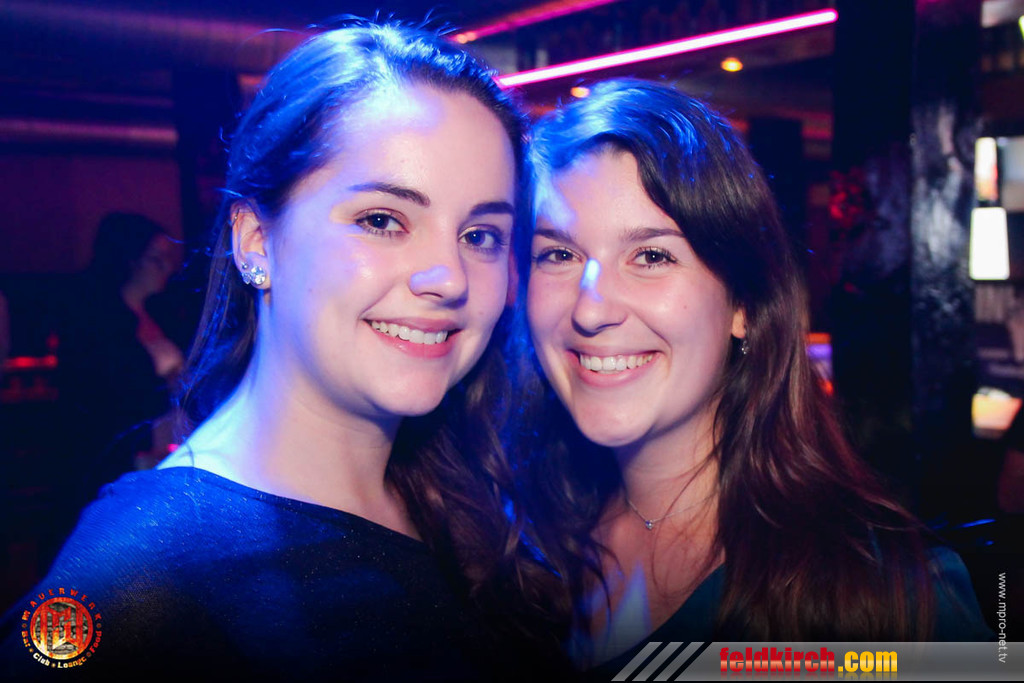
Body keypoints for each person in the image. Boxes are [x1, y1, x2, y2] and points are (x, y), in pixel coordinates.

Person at [1, 21, 561, 679]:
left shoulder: (455, 488)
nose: (449, 277)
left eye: (481, 235)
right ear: (256, 242)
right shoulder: (140, 570)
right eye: (383, 220)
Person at [512, 79, 992, 675]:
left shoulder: (887, 600)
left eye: (652, 256)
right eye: (558, 255)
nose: (590, 308)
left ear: (743, 303)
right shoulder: (515, 543)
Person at [57, 212, 185, 497]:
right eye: (157, 258)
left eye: (168, 258)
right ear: (129, 260)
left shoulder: (162, 314)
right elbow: (100, 403)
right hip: (118, 466)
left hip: (164, 456)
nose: (167, 267)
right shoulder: (97, 325)